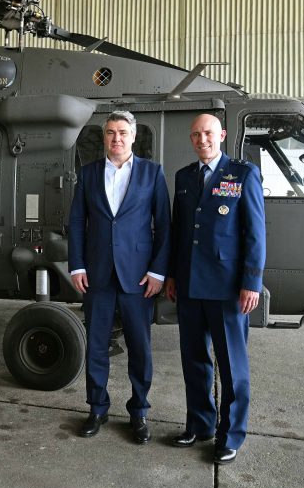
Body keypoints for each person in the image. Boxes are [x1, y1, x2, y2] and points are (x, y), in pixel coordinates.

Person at [166, 113, 266, 465]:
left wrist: (251, 282)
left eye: (207, 133)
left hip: (227, 289)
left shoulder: (243, 174)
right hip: (190, 285)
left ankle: (231, 435)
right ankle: (200, 424)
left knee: (232, 365)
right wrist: (173, 275)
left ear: (221, 135)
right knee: (194, 360)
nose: (202, 140)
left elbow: (255, 233)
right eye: (196, 135)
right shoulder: (184, 177)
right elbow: (179, 232)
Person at [68, 111, 171, 444]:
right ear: (104, 137)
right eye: (111, 132)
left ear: (134, 136)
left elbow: (164, 226)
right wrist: (77, 266)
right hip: (97, 275)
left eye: (123, 132)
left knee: (140, 348)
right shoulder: (88, 174)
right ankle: (97, 408)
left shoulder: (152, 173)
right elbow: (77, 222)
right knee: (96, 346)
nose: (117, 138)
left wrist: (157, 271)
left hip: (138, 277)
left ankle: (139, 411)